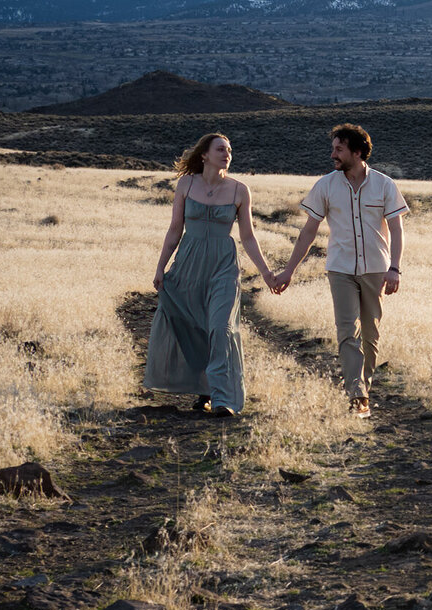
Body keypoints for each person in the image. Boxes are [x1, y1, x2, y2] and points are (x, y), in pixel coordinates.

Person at [272, 123, 407, 419]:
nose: (332, 154)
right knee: (348, 332)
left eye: (339, 149)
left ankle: (363, 390)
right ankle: (356, 395)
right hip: (340, 268)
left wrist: (395, 268)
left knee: (371, 335)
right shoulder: (325, 185)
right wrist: (289, 270)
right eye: (333, 148)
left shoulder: (384, 185)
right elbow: (309, 231)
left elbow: (397, 230)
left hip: (376, 269)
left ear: (357, 152)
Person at [143, 132, 280, 416]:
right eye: (221, 149)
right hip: (188, 265)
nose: (227, 153)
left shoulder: (240, 190)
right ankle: (205, 386)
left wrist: (266, 272)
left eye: (229, 150)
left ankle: (222, 399)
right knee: (192, 326)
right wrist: (160, 266)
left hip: (223, 266)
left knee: (220, 328)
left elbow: (249, 237)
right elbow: (174, 229)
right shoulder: (186, 183)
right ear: (204, 154)